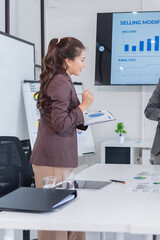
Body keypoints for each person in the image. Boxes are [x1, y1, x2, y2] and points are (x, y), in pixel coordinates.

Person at [30, 37, 94, 240]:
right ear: (68, 60)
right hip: (51, 160)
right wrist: (83, 106)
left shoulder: (63, 80)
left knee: (69, 215)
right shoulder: (60, 82)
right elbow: (60, 124)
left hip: (59, 158)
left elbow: (64, 117)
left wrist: (84, 115)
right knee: (55, 221)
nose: (84, 64)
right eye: (82, 60)